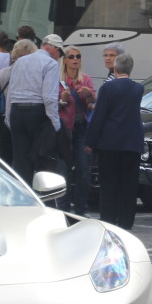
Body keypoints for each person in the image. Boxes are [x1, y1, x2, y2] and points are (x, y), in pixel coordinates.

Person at [88, 53, 145, 230]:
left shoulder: (108, 88)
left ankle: (109, 219)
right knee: (128, 183)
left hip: (110, 142)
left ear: (115, 68)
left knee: (108, 182)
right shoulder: (138, 88)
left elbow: (100, 115)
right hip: (131, 141)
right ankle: (126, 220)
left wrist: (90, 140)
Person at [5, 32, 63, 182]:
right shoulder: (51, 64)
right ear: (54, 49)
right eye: (60, 53)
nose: (59, 56)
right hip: (37, 112)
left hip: (17, 112)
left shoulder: (20, 61)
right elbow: (49, 97)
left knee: (20, 162)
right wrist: (56, 125)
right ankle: (40, 200)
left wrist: (8, 117)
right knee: (41, 160)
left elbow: (11, 92)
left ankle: (22, 201)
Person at [0, 38, 36, 162]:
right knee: (24, 161)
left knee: (5, 162)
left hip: (3, 123)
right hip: (26, 120)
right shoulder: (34, 74)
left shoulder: (4, 73)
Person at [58, 45, 97, 214]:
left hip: (82, 128)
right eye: (71, 56)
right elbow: (51, 105)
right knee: (63, 171)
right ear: (64, 60)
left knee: (84, 170)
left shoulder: (86, 79)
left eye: (78, 56)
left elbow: (94, 105)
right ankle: (63, 208)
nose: (75, 59)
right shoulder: (57, 80)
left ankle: (81, 209)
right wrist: (63, 100)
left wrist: (89, 95)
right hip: (64, 130)